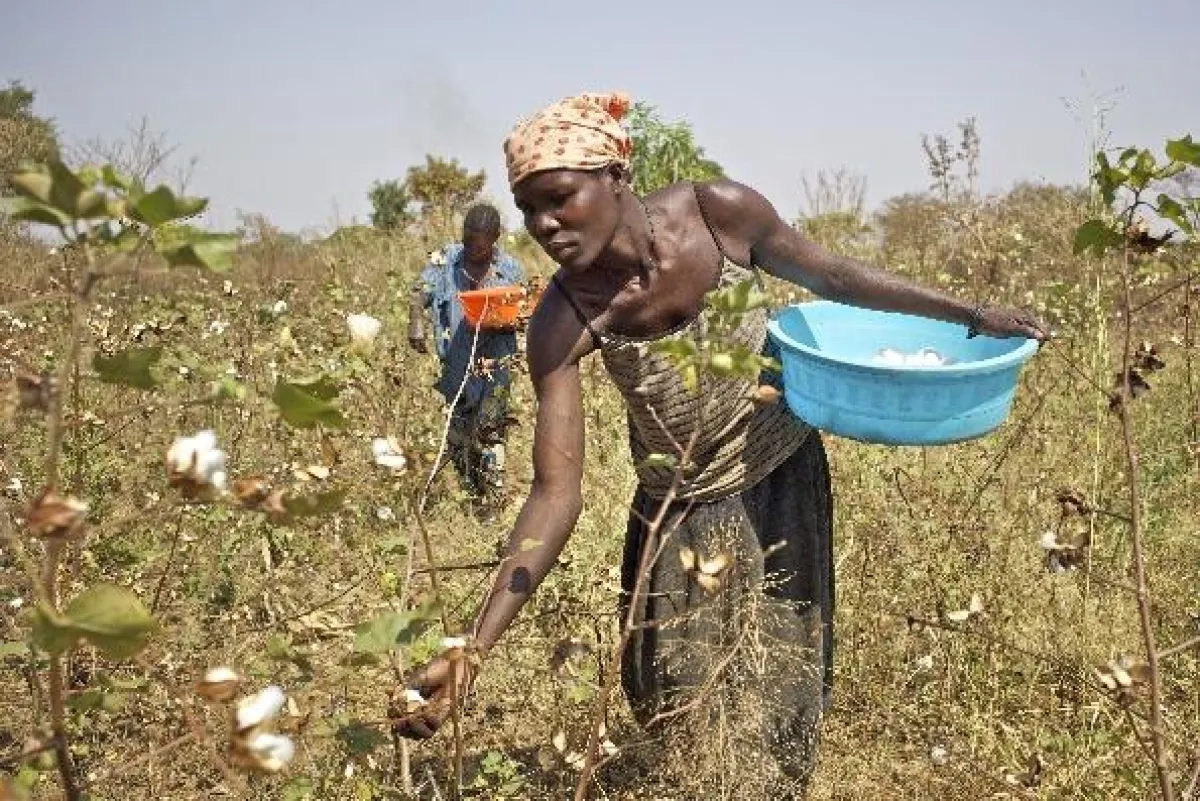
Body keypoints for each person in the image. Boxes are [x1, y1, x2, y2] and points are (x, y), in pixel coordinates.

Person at [394, 92, 1049, 795]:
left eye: (559, 198)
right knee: (680, 699)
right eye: (529, 211)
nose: (544, 225)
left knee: (785, 672)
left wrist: (972, 314)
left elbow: (834, 274)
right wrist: (474, 647)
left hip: (781, 473)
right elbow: (556, 492)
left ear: (615, 175)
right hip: (682, 511)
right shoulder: (563, 318)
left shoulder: (719, 214)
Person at [408, 203, 526, 498]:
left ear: (495, 237)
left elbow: (522, 312)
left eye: (480, 241)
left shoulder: (510, 269)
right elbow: (419, 292)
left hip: (495, 360)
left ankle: (494, 496)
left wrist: (509, 317)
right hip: (457, 362)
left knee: (491, 427)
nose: (472, 246)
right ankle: (471, 491)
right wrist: (416, 323)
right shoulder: (445, 259)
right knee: (458, 432)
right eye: (468, 238)